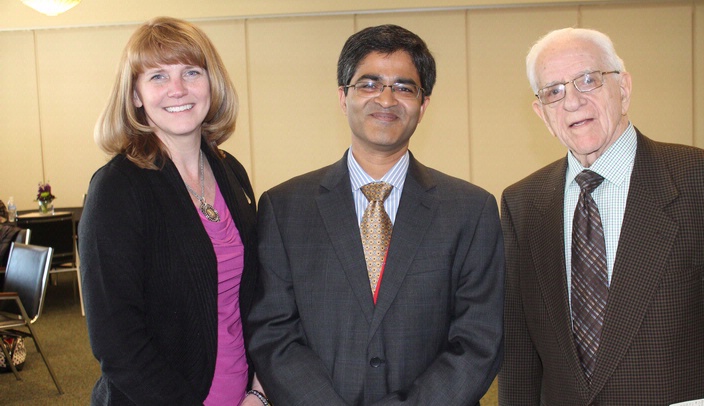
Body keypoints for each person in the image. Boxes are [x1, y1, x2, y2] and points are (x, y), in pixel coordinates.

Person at [246, 24, 504, 405]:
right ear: (342, 97)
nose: (386, 99)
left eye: (404, 87)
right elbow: (273, 332)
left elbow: (480, 339)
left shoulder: (471, 210)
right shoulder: (284, 207)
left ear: (424, 104)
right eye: (368, 84)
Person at [499, 27, 704, 405]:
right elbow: (520, 353)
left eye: (588, 80)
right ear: (542, 113)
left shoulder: (695, 179)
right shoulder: (522, 203)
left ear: (623, 89)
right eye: (554, 91)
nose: (572, 102)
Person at [79, 17, 269, 405]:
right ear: (135, 95)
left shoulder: (229, 170)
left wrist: (259, 390)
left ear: (211, 83)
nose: (178, 89)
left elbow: (256, 299)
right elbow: (117, 341)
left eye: (191, 72)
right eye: (158, 77)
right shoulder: (117, 189)